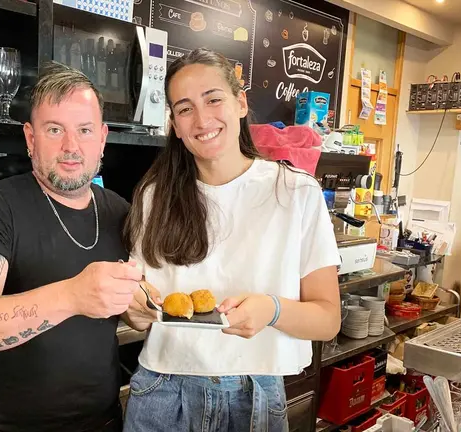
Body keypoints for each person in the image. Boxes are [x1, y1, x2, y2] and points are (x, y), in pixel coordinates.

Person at [121, 48, 342, 432]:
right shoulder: (153, 197)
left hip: (255, 393)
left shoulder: (296, 192)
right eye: (185, 108)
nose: (202, 119)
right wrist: (134, 308)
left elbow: (328, 320)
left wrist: (272, 310)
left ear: (240, 103)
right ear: (174, 125)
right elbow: (137, 309)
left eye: (213, 99)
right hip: (163, 389)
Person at [0, 62, 142, 432]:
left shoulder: (120, 211)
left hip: (104, 422)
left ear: (102, 138)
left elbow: (133, 312)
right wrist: (72, 296)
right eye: (54, 130)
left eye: (84, 130)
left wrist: (143, 308)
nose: (71, 146)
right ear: (31, 138)